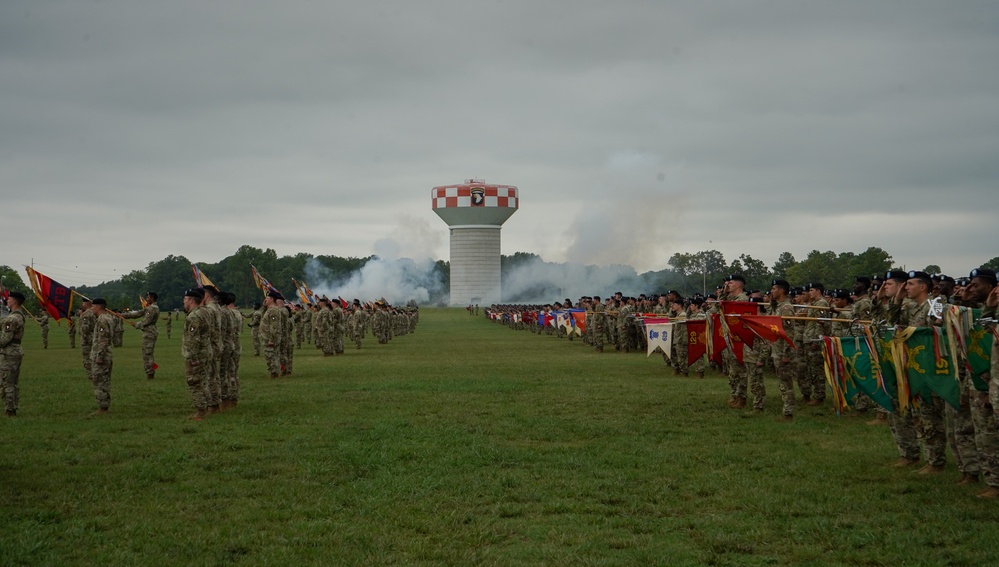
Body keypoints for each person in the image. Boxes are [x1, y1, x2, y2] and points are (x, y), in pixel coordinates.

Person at [181, 288, 210, 420]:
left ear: (192, 300)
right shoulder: (205, 312)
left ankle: (201, 411)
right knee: (203, 380)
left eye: (185, 299)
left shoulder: (194, 316)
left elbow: (193, 338)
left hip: (196, 354)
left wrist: (192, 357)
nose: (184, 301)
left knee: (194, 382)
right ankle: (206, 407)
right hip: (205, 352)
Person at [123, 291, 160, 379]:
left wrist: (136, 325)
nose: (146, 299)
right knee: (147, 353)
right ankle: (150, 371)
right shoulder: (149, 307)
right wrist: (123, 315)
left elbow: (146, 321)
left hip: (150, 333)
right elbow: (138, 313)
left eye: (148, 297)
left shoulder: (152, 308)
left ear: (152, 298)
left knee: (147, 354)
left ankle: (150, 373)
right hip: (148, 332)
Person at [1, 291, 27, 416]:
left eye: (9, 299)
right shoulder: (18, 316)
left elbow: (5, 339)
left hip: (9, 352)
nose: (7, 300)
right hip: (16, 351)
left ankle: (10, 410)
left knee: (7, 382)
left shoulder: (11, 318)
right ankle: (14, 406)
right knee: (13, 382)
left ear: (15, 301)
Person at [89, 298, 115, 414]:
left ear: (98, 307)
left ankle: (103, 407)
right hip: (106, 354)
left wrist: (99, 356)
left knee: (100, 381)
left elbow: (103, 340)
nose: (91, 309)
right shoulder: (108, 317)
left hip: (102, 355)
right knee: (104, 380)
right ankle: (104, 405)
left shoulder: (102, 320)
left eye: (93, 307)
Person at [260, 291, 284, 378]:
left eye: (267, 298)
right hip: (267, 337)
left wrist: (271, 339)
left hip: (270, 338)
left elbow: (274, 326)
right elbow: (262, 315)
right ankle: (275, 373)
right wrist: (264, 306)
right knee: (272, 356)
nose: (265, 299)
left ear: (272, 299)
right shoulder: (269, 309)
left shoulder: (273, 310)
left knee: (272, 357)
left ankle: (275, 374)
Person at [78, 298, 96, 380]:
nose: (82, 305)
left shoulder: (86, 314)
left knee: (87, 358)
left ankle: (91, 375)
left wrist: (84, 339)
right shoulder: (94, 312)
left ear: (87, 303)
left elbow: (85, 328)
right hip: (94, 338)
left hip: (87, 339)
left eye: (83, 303)